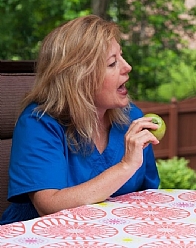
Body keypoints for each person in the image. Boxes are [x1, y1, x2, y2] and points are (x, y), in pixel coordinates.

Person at [0, 15, 161, 224]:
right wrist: (125, 166)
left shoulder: (132, 118)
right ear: (79, 77)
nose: (127, 67)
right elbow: (49, 206)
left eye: (122, 57)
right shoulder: (38, 123)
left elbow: (147, 196)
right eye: (112, 63)